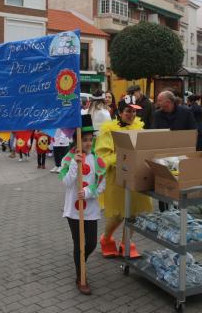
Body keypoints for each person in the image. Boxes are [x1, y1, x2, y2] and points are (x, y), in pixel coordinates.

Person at [95, 98, 153, 258]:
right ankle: (106, 239)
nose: (132, 114)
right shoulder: (108, 131)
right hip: (117, 178)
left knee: (134, 213)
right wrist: (123, 156)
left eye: (134, 111)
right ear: (119, 112)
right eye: (128, 111)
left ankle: (126, 242)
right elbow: (102, 159)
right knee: (118, 214)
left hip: (136, 177)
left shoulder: (139, 128)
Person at [59, 115, 106, 295]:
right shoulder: (68, 159)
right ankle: (81, 277)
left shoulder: (98, 160)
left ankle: (81, 262)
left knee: (92, 243)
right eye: (84, 139)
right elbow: (67, 183)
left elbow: (102, 184)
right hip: (73, 210)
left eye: (89, 139)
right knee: (78, 244)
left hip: (91, 210)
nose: (87, 143)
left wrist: (87, 192)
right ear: (77, 140)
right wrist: (73, 165)